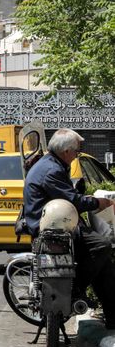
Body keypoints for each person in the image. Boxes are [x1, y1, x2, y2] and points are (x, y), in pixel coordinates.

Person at [23, 128, 115, 325]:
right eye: (76, 152)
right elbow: (73, 200)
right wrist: (99, 203)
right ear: (66, 151)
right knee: (102, 246)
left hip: (60, 222)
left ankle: (112, 315)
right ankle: (75, 289)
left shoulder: (50, 164)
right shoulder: (52, 170)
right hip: (53, 227)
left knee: (104, 263)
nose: (76, 156)